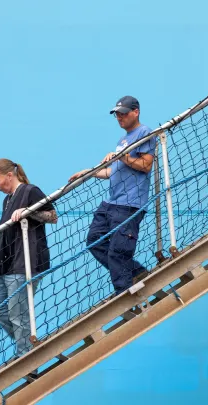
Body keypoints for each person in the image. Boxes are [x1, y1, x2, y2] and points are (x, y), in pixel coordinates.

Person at [69, 96, 156, 296]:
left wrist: (122, 156)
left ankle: (124, 293)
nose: (119, 117)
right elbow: (112, 172)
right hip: (112, 202)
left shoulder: (144, 132)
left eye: (123, 113)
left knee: (118, 251)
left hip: (129, 204)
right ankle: (137, 273)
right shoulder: (122, 140)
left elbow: (145, 165)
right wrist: (88, 172)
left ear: (136, 112)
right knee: (94, 240)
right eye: (117, 114)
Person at [0, 159, 57, 359]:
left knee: (18, 313)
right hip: (6, 263)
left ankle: (26, 357)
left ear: (9, 175)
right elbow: (8, 228)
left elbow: (52, 216)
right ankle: (27, 343)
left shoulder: (30, 191)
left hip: (26, 261)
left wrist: (29, 212)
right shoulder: (7, 200)